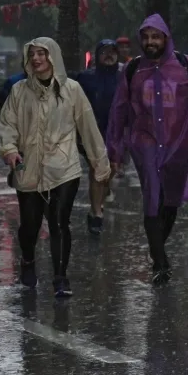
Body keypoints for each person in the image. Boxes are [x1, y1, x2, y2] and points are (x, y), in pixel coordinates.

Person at [105, 15, 188, 284]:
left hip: (179, 143)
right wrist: (114, 150)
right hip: (145, 142)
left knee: (171, 201)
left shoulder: (185, 65)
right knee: (152, 196)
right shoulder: (133, 70)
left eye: (155, 37)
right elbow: (118, 111)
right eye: (146, 37)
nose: (150, 42)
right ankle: (160, 261)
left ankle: (157, 249)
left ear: (165, 38)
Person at [0, 38, 111, 297]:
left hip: (64, 168)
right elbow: (7, 124)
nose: (36, 59)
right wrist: (9, 149)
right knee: (30, 225)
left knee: (59, 222)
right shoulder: (19, 91)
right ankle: (27, 259)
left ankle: (60, 278)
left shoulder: (72, 90)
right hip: (28, 168)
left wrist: (100, 165)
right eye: (32, 54)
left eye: (42, 54)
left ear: (53, 57)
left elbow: (88, 128)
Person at [74, 39, 122, 235]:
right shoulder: (86, 78)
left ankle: (100, 199)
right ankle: (96, 214)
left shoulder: (123, 78)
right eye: (104, 52)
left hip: (116, 132)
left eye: (112, 52)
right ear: (97, 55)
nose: (109, 55)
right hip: (91, 131)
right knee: (97, 169)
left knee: (111, 169)